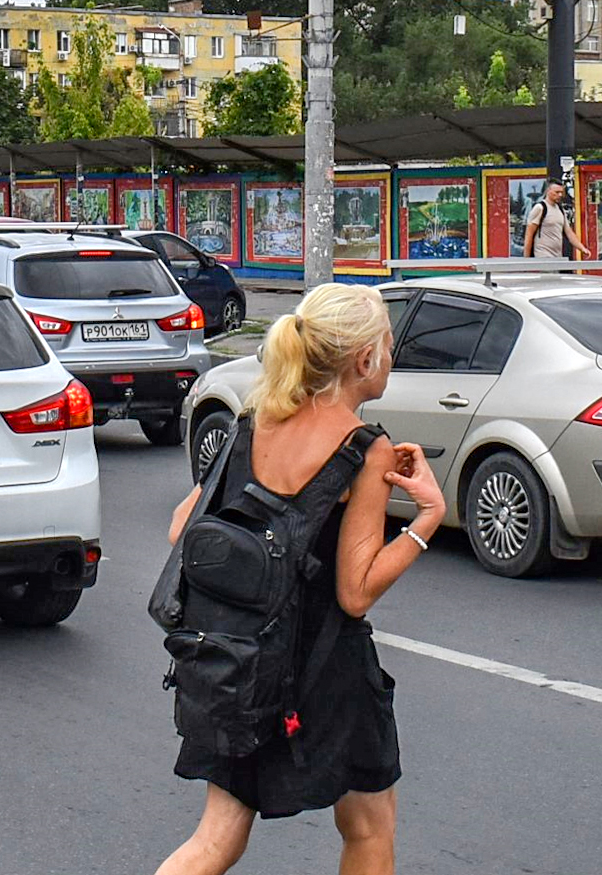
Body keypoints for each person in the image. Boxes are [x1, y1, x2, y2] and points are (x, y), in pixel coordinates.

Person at [155, 284, 446, 875]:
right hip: (323, 664)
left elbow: (182, 528)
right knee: (368, 826)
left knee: (217, 837)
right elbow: (354, 593)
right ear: (364, 359)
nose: (392, 357)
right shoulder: (364, 447)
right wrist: (426, 520)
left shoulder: (254, 420)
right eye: (389, 345)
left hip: (237, 660)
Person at [521, 177, 588, 264]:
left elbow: (569, 233)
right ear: (548, 191)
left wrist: (582, 248)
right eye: (557, 192)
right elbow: (529, 234)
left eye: (561, 192)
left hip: (557, 256)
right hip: (543, 256)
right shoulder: (540, 208)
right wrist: (526, 259)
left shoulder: (560, 209)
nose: (560, 195)